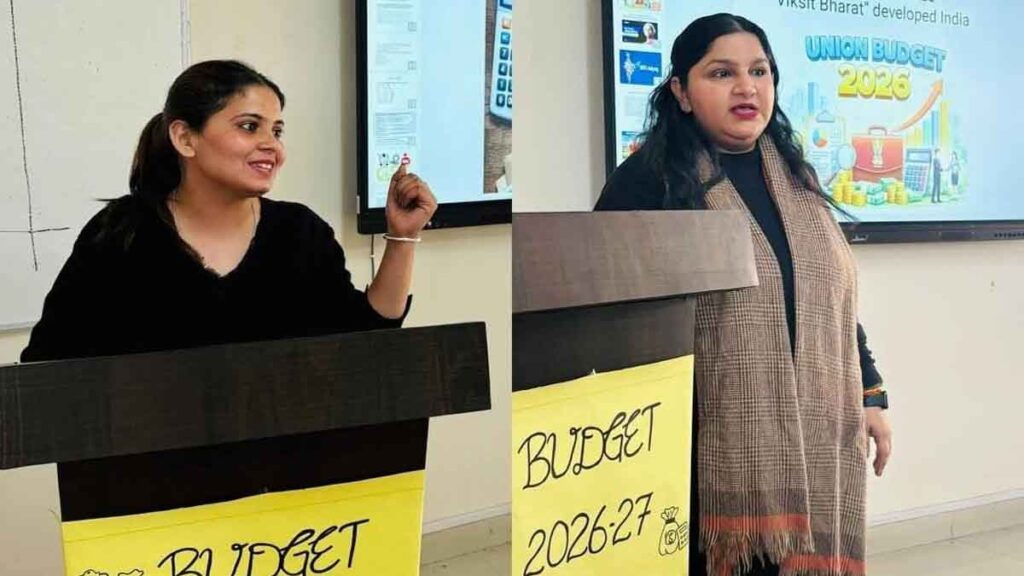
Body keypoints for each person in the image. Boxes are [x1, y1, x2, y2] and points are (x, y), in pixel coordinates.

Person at [596, 14, 891, 576]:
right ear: (681, 92)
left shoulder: (797, 179)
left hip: (816, 432)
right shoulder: (649, 182)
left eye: (759, 71)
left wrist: (870, 393)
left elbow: (827, 299)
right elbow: (606, 314)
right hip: (700, 449)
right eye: (721, 73)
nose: (746, 88)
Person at [21, 60, 436, 363]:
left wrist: (403, 237)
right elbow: (48, 368)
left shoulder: (300, 232)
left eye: (277, 130)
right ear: (185, 138)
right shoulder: (120, 234)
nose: (272, 146)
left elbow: (364, 340)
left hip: (286, 456)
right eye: (249, 126)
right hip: (151, 458)